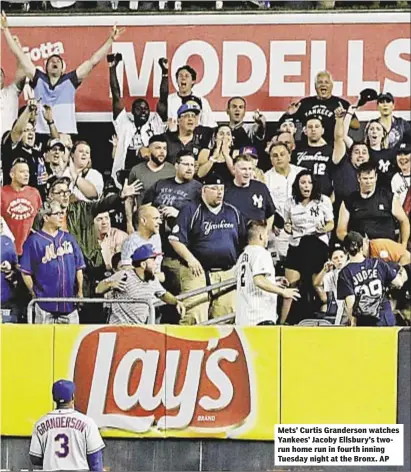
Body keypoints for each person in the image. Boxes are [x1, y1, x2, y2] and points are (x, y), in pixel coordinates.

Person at [1, 11, 125, 134]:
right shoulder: (38, 78)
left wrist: (110, 40)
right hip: (41, 135)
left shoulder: (70, 80)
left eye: (58, 61)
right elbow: (20, 56)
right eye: (51, 61)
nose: (55, 61)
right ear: (45, 68)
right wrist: (6, 30)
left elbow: (93, 61)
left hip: (66, 135)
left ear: (63, 69)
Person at [169, 172, 246, 325]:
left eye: (222, 189)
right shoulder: (191, 209)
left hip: (227, 272)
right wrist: (191, 260)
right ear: (204, 190)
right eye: (214, 189)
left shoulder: (233, 212)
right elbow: (175, 239)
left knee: (226, 315)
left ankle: (220, 349)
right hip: (197, 272)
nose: (219, 193)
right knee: (194, 315)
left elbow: (243, 241)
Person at [280, 169, 334, 324]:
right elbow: (287, 223)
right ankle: (282, 323)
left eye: (309, 182)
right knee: (291, 285)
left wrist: (323, 229)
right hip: (296, 244)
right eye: (303, 182)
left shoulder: (323, 200)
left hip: (316, 243)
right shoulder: (290, 202)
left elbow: (331, 224)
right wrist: (287, 228)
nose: (306, 186)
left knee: (315, 283)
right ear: (297, 185)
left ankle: (323, 317)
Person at [20, 201, 86, 324]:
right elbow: (25, 272)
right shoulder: (34, 241)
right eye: (57, 213)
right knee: (42, 342)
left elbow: (79, 268)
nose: (62, 216)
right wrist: (34, 294)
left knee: (71, 342)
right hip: (45, 306)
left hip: (69, 305)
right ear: (46, 217)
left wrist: (80, 291)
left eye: (62, 213)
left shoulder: (69, 238)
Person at [109, 54, 168, 184]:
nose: (143, 111)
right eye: (139, 109)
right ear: (132, 112)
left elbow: (163, 99)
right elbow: (116, 95)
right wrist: (112, 68)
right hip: (124, 175)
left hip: (150, 176)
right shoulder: (124, 123)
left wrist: (165, 73)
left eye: (146, 109)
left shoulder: (155, 124)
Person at [96, 244, 185, 325]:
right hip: (118, 328)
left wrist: (176, 302)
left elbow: (163, 294)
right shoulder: (124, 275)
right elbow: (98, 289)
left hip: (139, 329)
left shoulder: (152, 280)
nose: (156, 264)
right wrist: (110, 284)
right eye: (153, 261)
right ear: (143, 264)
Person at [29, 379, 105, 471]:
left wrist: (52, 457)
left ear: (54, 398)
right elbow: (95, 460)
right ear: (72, 397)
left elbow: (35, 458)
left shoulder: (40, 423)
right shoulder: (87, 422)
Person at [235, 220, 300, 326]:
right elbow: (258, 280)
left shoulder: (243, 255)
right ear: (261, 236)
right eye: (266, 234)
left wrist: (274, 281)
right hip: (260, 318)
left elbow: (248, 280)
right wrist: (282, 292)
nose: (267, 237)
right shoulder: (261, 253)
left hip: (244, 320)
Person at [337, 231, 407, 327]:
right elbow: (399, 283)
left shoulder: (344, 273)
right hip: (385, 318)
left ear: (345, 250)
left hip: (365, 324)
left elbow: (350, 305)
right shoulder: (378, 263)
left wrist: (353, 323)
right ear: (362, 247)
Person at [337, 161, 410, 247]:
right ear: (358, 178)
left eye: (371, 178)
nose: (369, 182)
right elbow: (340, 231)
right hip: (361, 248)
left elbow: (404, 220)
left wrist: (403, 244)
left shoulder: (388, 197)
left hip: (386, 246)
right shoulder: (349, 201)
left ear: (376, 177)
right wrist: (354, 241)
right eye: (365, 179)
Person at [278, 70, 358, 145]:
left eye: (326, 82)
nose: (323, 85)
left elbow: (357, 125)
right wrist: (288, 114)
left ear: (331, 86)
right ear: (315, 86)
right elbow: (283, 125)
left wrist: (345, 118)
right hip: (307, 148)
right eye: (320, 82)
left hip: (332, 147)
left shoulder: (341, 104)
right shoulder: (304, 103)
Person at [126, 134, 175, 232]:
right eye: (158, 148)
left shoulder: (173, 170)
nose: (162, 152)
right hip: (143, 224)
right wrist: (129, 223)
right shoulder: (136, 171)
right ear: (148, 150)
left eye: (164, 148)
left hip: (167, 227)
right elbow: (129, 199)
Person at [264, 142, 304, 261]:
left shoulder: (301, 173)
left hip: (302, 226)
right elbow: (264, 204)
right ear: (270, 159)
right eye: (275, 155)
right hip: (278, 230)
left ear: (289, 156)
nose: (279, 158)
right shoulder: (266, 178)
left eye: (282, 154)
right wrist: (273, 220)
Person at [294, 113, 345, 197]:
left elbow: (339, 138)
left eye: (317, 126)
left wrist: (339, 120)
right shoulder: (298, 151)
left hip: (324, 198)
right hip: (302, 199)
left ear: (322, 130)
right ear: (305, 131)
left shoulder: (330, 150)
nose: (313, 129)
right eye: (310, 127)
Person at [0, 158, 42, 255]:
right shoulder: (2, 193)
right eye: (22, 172)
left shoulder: (34, 193)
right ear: (12, 175)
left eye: (27, 171)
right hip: (7, 250)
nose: (26, 174)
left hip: (31, 250)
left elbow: (39, 221)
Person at [224, 154, 276, 226]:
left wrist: (265, 232)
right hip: (233, 236)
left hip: (256, 236)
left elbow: (270, 214)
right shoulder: (225, 191)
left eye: (250, 169)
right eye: (243, 169)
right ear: (233, 169)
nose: (247, 173)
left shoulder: (261, 188)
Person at [121, 205, 163, 273]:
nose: (160, 222)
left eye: (160, 219)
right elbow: (126, 270)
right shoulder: (130, 242)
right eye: (155, 218)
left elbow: (157, 269)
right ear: (143, 221)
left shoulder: (156, 237)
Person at [313, 244, 348, 324]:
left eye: (341, 257)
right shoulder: (331, 275)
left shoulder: (352, 269)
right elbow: (317, 284)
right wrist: (324, 270)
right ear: (330, 260)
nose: (339, 260)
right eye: (335, 258)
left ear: (346, 257)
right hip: (340, 312)